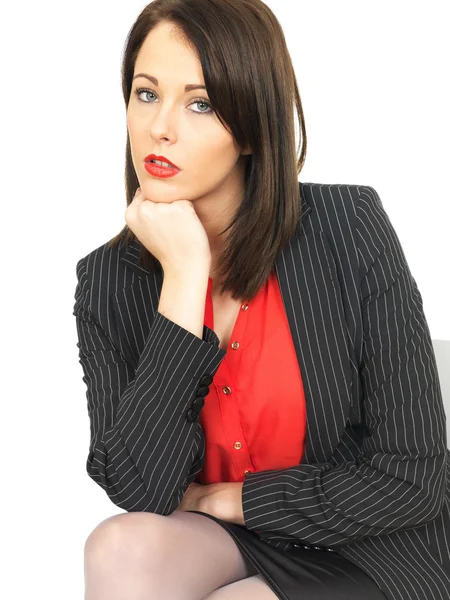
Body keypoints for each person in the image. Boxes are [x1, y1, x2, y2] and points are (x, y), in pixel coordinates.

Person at [73, 1, 450, 599]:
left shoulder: (348, 228)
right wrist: (183, 277)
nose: (159, 127)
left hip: (370, 548)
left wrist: (237, 497)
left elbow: (414, 480)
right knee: (118, 547)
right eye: (146, 94)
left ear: (251, 126)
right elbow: (142, 492)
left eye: (200, 104)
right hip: (224, 539)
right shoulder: (108, 279)